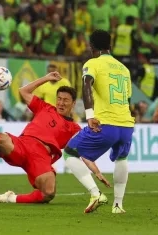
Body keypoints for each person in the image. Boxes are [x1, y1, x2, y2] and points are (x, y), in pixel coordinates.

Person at [0, 72, 81, 204]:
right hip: (23, 144)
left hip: (41, 157)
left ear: (73, 103)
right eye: (59, 98)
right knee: (2, 138)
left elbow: (84, 144)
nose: (61, 103)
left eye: (65, 100)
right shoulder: (45, 108)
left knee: (48, 193)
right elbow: (23, 91)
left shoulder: (74, 128)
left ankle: (10, 198)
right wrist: (46, 78)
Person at [64, 29, 135, 214]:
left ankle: (96, 194)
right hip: (127, 125)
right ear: (110, 46)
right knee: (122, 158)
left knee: (70, 153)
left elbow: (86, 84)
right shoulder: (124, 69)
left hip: (105, 123)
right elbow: (128, 100)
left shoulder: (93, 63)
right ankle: (118, 205)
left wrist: (89, 116)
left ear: (91, 47)